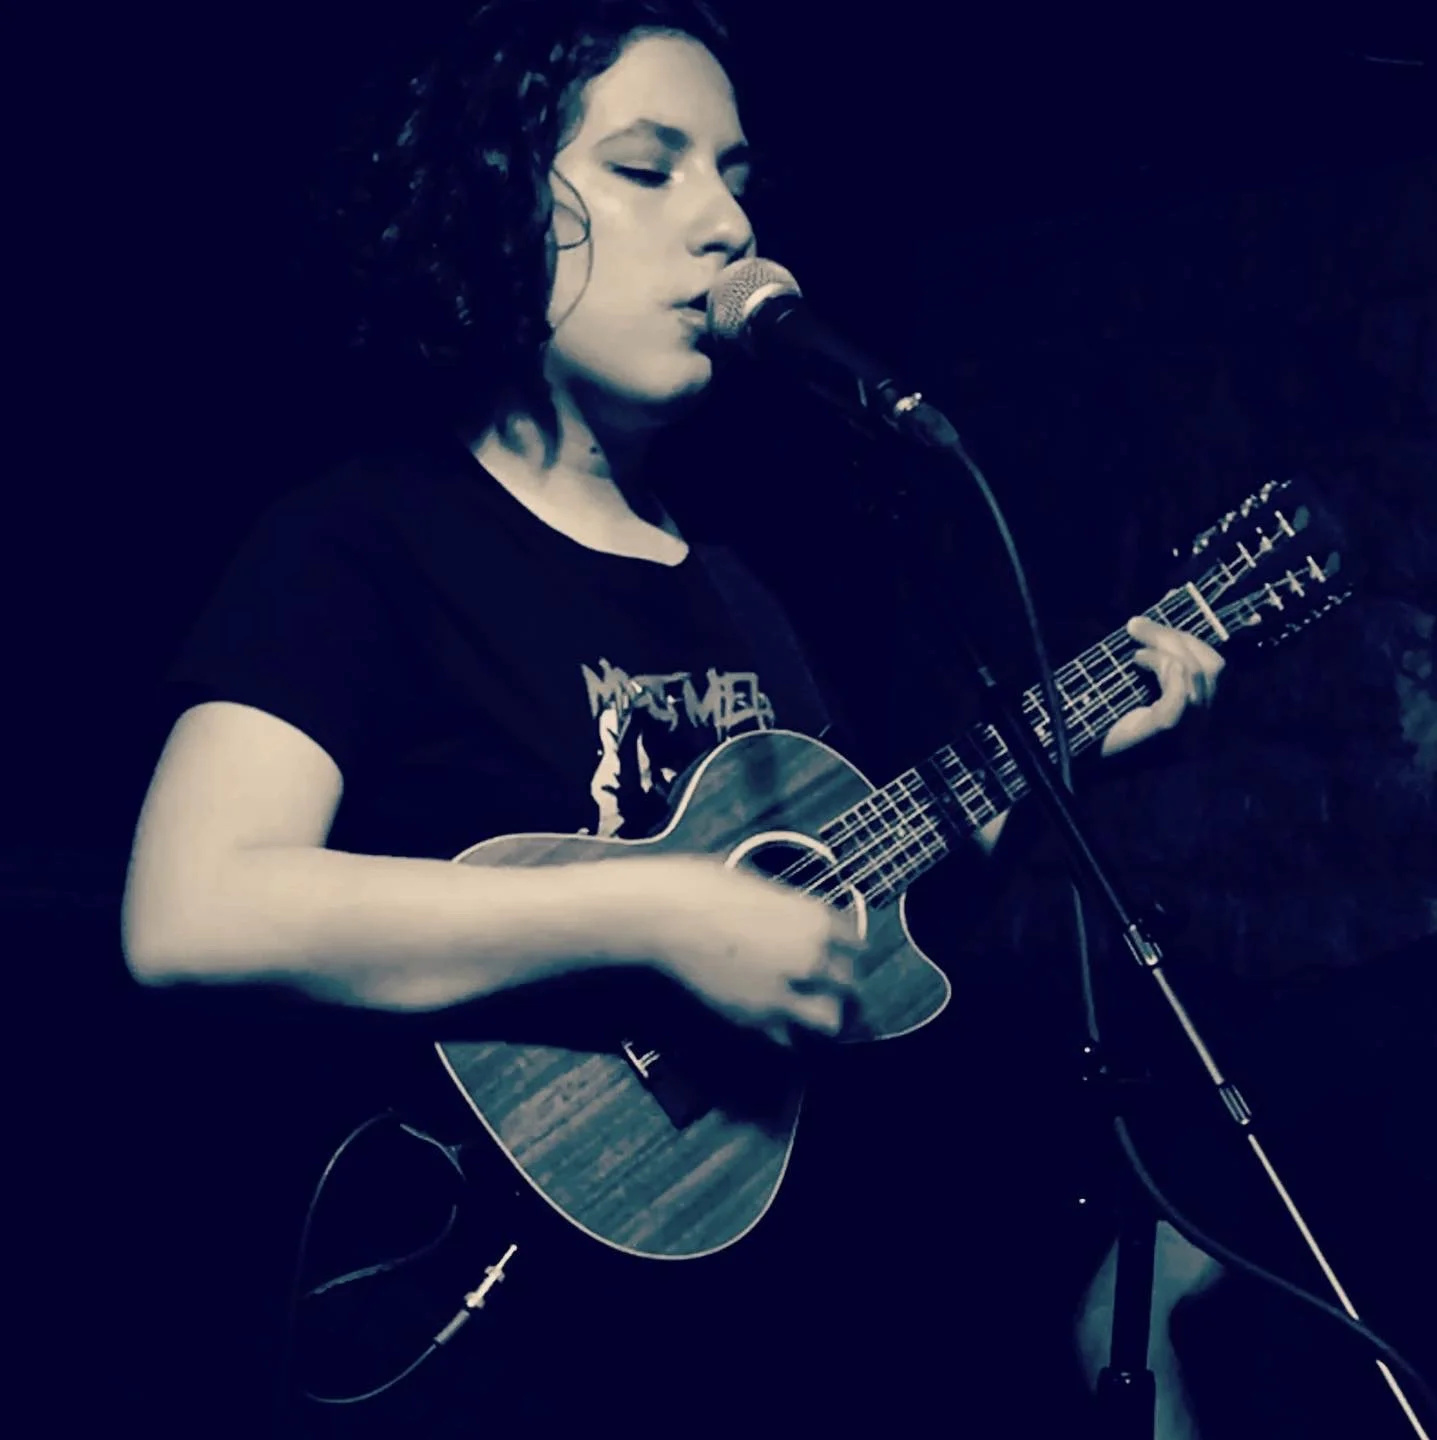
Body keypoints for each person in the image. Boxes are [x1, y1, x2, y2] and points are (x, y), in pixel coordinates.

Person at [119, 1, 1226, 1434]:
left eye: (736, 179)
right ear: (497, 205)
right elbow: (191, 912)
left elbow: (842, 899)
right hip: (476, 1333)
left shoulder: (741, 594)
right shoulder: (363, 542)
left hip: (749, 1331)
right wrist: (655, 910)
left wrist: (1054, 767)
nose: (727, 225)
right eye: (649, 169)